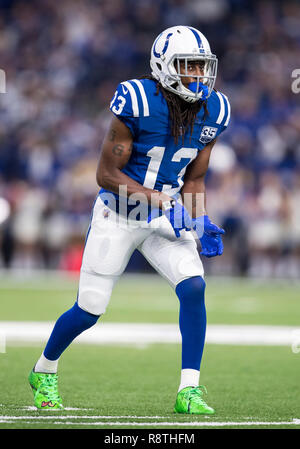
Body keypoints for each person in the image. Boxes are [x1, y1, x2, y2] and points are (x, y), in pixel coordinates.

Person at [28, 25, 230, 415]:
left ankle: (190, 389)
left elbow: (196, 178)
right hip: (120, 212)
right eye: (188, 66)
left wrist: (201, 221)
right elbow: (106, 175)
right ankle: (44, 369)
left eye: (202, 67)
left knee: (193, 287)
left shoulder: (215, 109)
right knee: (89, 309)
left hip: (164, 214)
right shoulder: (137, 99)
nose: (198, 75)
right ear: (165, 67)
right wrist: (159, 200)